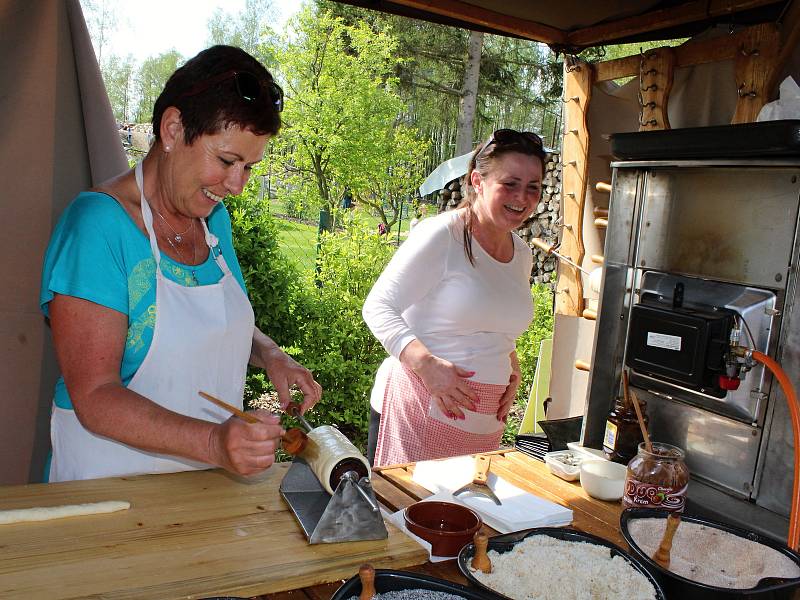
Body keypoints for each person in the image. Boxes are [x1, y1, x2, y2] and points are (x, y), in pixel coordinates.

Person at [40, 45, 322, 482]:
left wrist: (271, 355)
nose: (237, 185)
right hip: (104, 490)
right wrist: (214, 443)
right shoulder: (99, 226)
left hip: (199, 490)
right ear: (172, 129)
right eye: (227, 160)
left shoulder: (214, 223)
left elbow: (223, 324)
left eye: (249, 167)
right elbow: (95, 394)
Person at [362, 129, 546, 466]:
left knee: (469, 515)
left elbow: (492, 319)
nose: (522, 197)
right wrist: (427, 366)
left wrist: (510, 362)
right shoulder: (443, 234)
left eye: (533, 187)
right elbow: (378, 307)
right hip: (417, 410)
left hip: (483, 423)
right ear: (478, 181)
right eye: (510, 183)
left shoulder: (521, 253)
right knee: (404, 515)